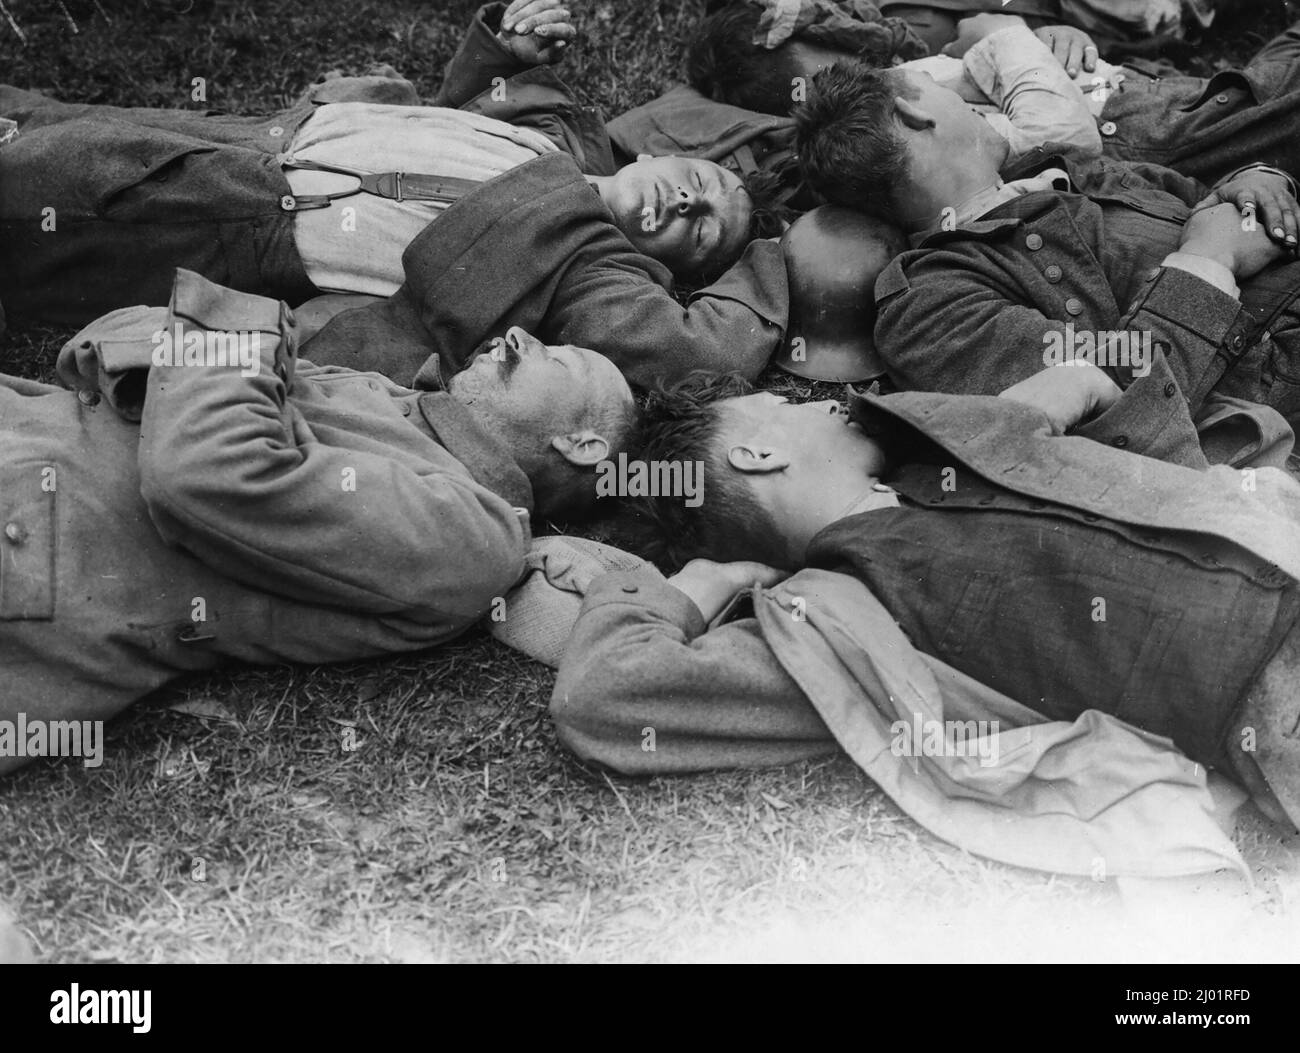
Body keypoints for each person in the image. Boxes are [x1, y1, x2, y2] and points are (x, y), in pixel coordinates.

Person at [550, 368, 1300, 872]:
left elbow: (1081, 389)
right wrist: (709, 576)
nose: (824, 399)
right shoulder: (837, 613)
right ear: (757, 452)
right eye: (786, 406)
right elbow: (607, 692)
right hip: (1273, 689)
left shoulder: (946, 454)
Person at [0, 269, 636, 774]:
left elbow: (212, 473)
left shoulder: (475, 537)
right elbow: (104, 342)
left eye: (559, 359)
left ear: (581, 446)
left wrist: (230, 345)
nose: (523, 337)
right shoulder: (391, 400)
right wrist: (214, 369)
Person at [0, 0, 782, 386]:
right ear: (657, 157)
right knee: (65, 132)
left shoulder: (593, 273)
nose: (689, 205)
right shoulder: (565, 136)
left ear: (675, 271)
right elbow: (464, 104)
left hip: (239, 230)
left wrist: (786, 258)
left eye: (704, 230)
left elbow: (696, 352)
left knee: (51, 205)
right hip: (264, 140)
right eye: (703, 184)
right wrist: (501, 46)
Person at [794, 59, 1300, 454]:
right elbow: (1115, 407)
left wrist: (1258, 181)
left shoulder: (1064, 167)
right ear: (914, 114)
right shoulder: (930, 306)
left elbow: (1203, 195)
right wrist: (1210, 259)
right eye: (950, 92)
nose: (977, 105)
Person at [616, 4, 1300, 187]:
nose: (837, 16)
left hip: (1144, 98)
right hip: (1141, 126)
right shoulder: (880, 103)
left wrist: (1037, 40)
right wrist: (1012, 44)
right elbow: (1063, 134)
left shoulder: (906, 64)